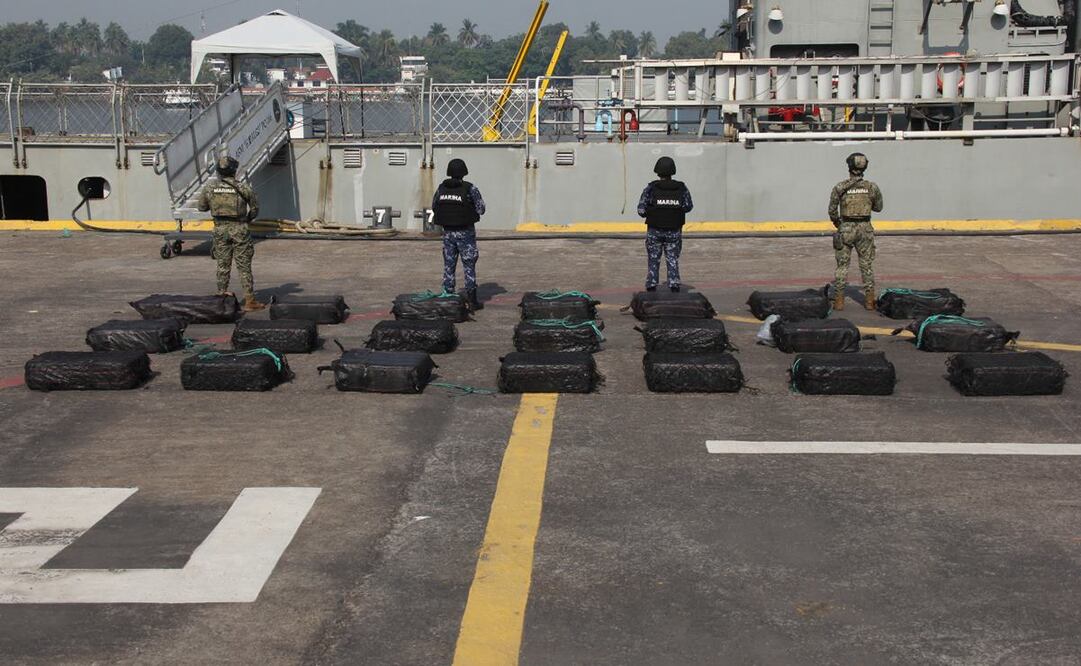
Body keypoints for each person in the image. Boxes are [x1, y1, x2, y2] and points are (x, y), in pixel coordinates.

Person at [197, 155, 265, 311]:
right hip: (239, 229)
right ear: (234, 170)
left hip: (220, 230)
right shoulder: (243, 187)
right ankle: (249, 300)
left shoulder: (209, 188)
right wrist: (246, 219)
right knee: (244, 265)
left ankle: (221, 296)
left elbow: (202, 207)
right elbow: (255, 209)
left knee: (222, 264)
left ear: (219, 172)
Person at [828, 152, 883, 311]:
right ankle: (869, 301)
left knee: (842, 266)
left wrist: (839, 224)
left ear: (849, 167)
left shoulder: (840, 187)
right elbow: (878, 207)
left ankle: (839, 301)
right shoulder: (871, 187)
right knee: (866, 265)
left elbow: (832, 210)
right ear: (865, 167)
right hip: (865, 229)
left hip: (846, 228)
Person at [431, 158, 486, 311]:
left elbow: (434, 206)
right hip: (466, 233)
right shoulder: (470, 188)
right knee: (469, 265)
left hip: (448, 233)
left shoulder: (441, 188)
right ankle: (472, 299)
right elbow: (481, 209)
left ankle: (448, 294)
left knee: (449, 264)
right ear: (464, 172)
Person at [637, 156, 693, 292]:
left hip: (654, 230)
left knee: (653, 258)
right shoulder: (681, 188)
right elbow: (688, 207)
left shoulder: (651, 188)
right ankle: (674, 283)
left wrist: (653, 211)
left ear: (657, 171)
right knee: (672, 257)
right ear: (673, 171)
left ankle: (651, 283)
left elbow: (641, 210)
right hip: (674, 230)